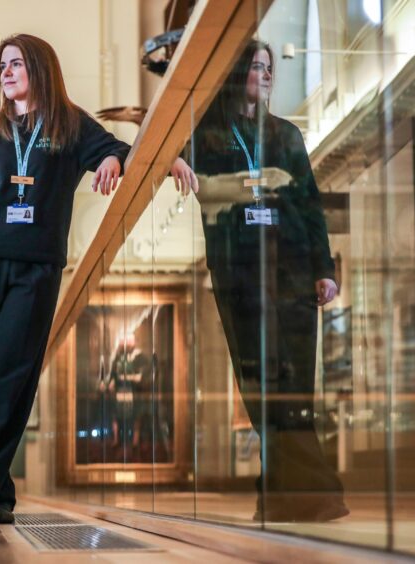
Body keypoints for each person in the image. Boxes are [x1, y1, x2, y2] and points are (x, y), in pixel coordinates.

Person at [0, 33, 135, 525]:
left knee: (8, 378)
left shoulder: (69, 126)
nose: (6, 72)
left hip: (36, 269)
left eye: (17, 63)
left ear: (40, 69)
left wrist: (112, 158)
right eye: (1, 64)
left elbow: (119, 149)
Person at [170, 40, 348, 522]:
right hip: (239, 270)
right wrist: (172, 158)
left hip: (292, 269)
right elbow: (164, 142)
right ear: (236, 73)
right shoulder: (206, 132)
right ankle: (310, 493)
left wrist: (324, 270)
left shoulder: (287, 135)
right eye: (255, 66)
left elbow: (310, 204)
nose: (265, 74)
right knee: (262, 381)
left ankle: (284, 496)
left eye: (269, 67)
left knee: (294, 383)